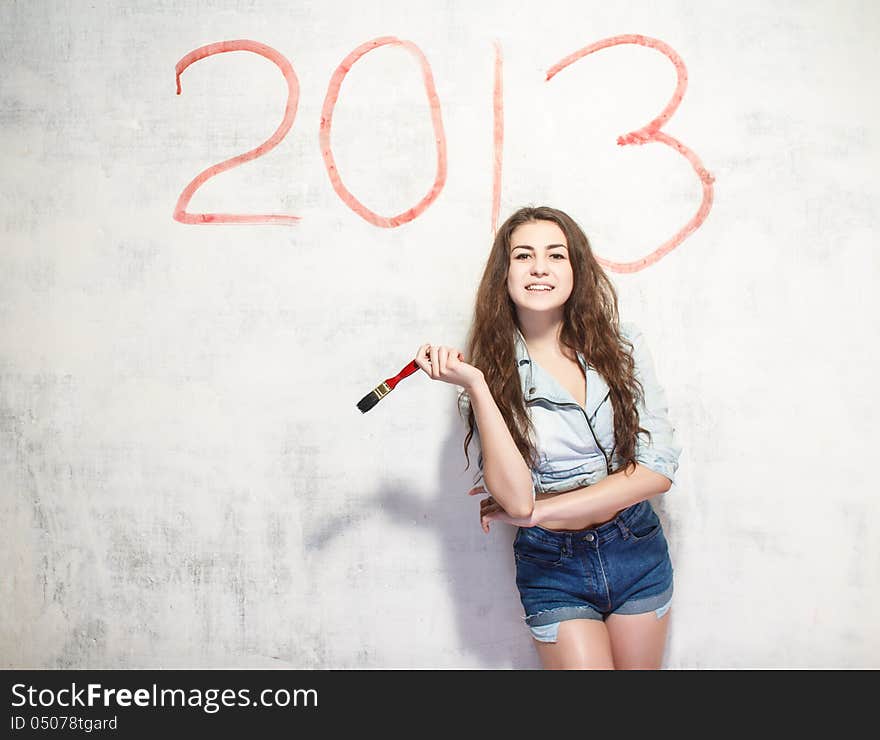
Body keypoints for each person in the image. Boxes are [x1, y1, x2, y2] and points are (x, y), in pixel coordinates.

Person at [414, 205, 682, 670]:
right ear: (505, 274)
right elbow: (517, 504)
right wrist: (478, 385)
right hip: (553, 566)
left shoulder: (623, 347)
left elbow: (656, 470)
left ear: (574, 269)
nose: (540, 267)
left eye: (556, 255)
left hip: (634, 544)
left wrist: (546, 510)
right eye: (523, 255)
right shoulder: (486, 384)